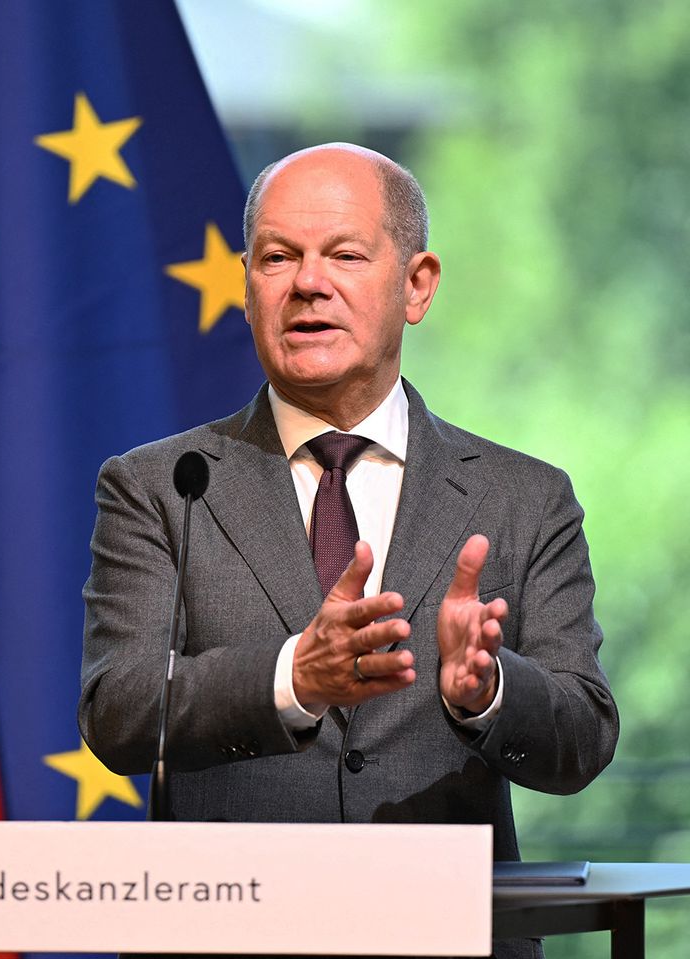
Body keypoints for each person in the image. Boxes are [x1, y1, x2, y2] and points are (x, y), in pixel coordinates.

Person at [79, 144, 618, 959]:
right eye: (277, 258)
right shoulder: (160, 487)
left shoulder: (524, 497)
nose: (306, 284)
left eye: (344, 255)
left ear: (417, 284)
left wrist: (487, 688)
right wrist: (293, 677)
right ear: (247, 283)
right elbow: (117, 710)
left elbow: (581, 736)